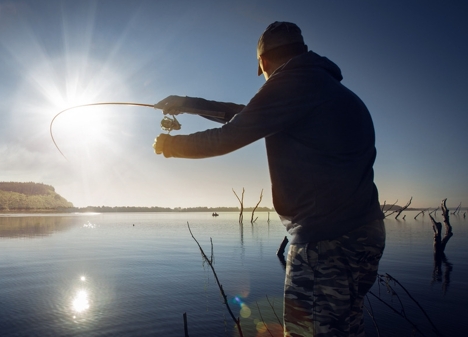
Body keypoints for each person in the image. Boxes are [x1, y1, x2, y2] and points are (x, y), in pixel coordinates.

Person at [153, 21, 385, 336]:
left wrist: (170, 146)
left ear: (263, 62)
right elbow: (250, 113)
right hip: (364, 235)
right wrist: (190, 104)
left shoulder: (292, 82)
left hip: (325, 241)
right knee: (345, 329)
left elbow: (229, 136)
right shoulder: (324, 87)